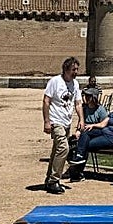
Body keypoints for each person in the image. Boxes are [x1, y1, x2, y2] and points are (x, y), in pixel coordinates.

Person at [41, 56, 83, 194]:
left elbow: (78, 103)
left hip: (67, 122)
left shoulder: (75, 84)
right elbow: (46, 101)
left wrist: (81, 119)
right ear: (65, 69)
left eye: (77, 69)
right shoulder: (55, 81)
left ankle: (49, 179)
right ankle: (54, 180)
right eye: (73, 69)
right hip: (56, 121)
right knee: (63, 148)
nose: (76, 72)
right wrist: (47, 121)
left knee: (56, 151)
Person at [65, 89, 111, 169]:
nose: (86, 97)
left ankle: (79, 156)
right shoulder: (84, 108)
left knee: (84, 137)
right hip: (85, 132)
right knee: (73, 140)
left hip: (98, 131)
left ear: (94, 98)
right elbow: (80, 122)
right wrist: (78, 131)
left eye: (88, 96)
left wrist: (92, 125)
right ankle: (75, 168)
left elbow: (104, 124)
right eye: (85, 96)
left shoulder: (100, 109)